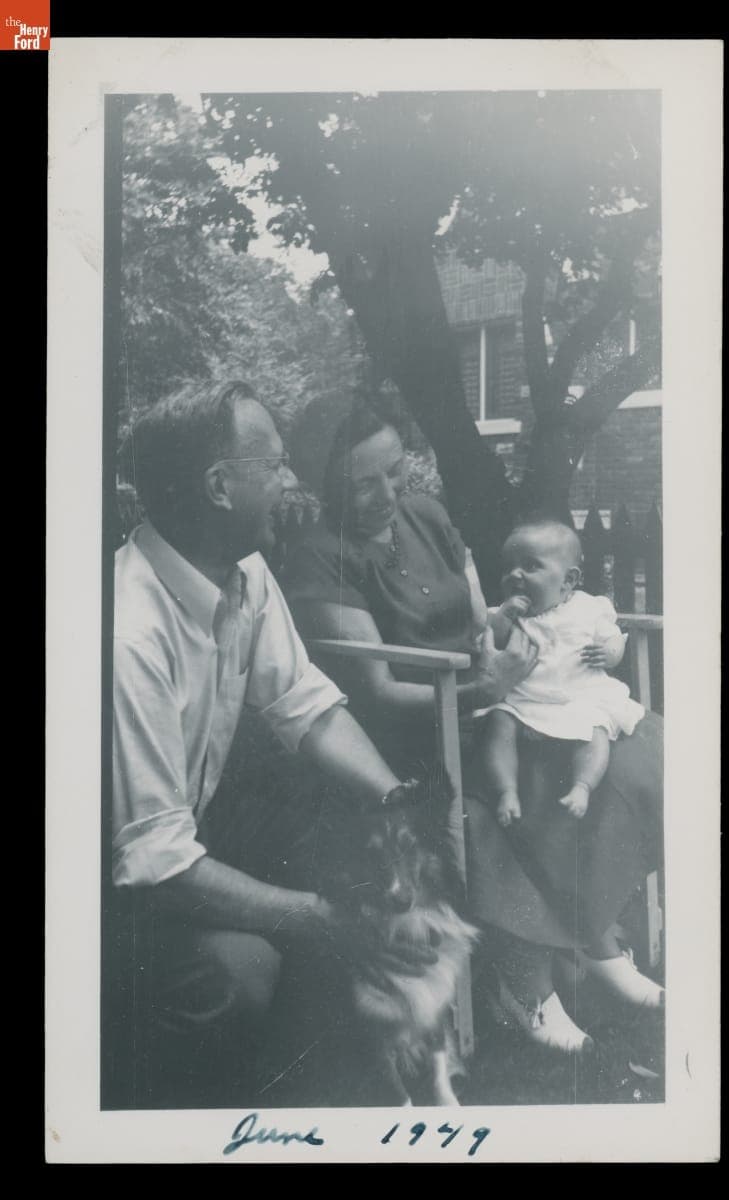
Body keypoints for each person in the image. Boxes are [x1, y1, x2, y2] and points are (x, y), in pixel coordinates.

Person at [282, 398, 664, 1056]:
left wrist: (514, 657)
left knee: (635, 751)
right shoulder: (319, 556)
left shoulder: (425, 515)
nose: (385, 493)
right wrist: (481, 688)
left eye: (393, 471)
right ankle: (524, 981)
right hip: (410, 730)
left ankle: (595, 935)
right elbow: (374, 689)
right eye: (361, 482)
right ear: (326, 483)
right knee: (507, 800)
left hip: (493, 700)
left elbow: (478, 613)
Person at [110, 380, 438, 1105]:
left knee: (365, 846)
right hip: (102, 890)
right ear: (219, 487)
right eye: (278, 465)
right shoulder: (127, 631)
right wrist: (318, 919)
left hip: (180, 835)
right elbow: (155, 863)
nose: (294, 483)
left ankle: (360, 1069)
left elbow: (306, 704)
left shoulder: (244, 573)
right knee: (238, 969)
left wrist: (390, 803)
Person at [477, 518, 645, 828]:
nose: (515, 574)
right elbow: (491, 643)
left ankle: (582, 786)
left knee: (596, 730)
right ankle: (507, 790)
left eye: (530, 566)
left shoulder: (589, 608)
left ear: (568, 581)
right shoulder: (506, 614)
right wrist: (503, 618)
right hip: (524, 701)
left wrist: (608, 654)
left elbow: (612, 639)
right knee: (498, 722)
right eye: (509, 567)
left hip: (577, 697)